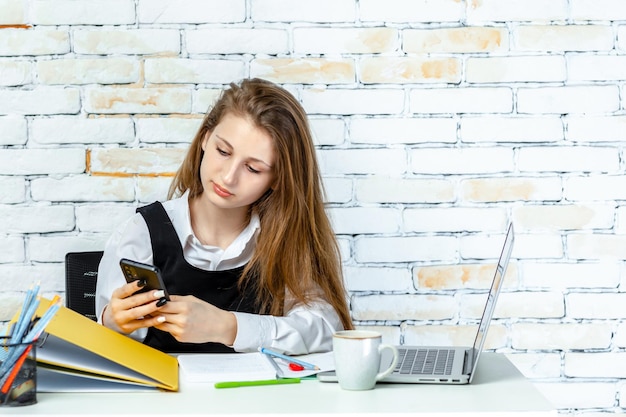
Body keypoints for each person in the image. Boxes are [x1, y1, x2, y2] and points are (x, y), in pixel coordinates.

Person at [95, 78, 353, 354]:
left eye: (253, 169)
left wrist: (229, 327)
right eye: (223, 151)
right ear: (205, 138)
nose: (228, 177)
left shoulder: (285, 241)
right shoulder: (141, 231)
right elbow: (107, 346)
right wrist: (113, 322)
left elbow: (327, 329)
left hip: (259, 395)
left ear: (278, 178)